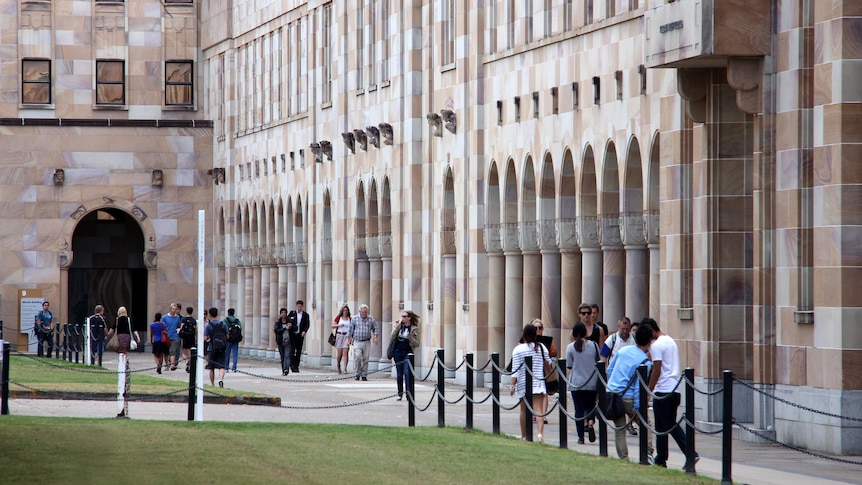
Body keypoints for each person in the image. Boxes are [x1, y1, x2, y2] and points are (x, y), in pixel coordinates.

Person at [643, 317, 698, 469]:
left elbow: (657, 369)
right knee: (671, 425)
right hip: (675, 389)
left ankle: (661, 458)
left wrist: (649, 389)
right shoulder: (670, 341)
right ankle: (690, 453)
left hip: (663, 389)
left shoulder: (657, 346)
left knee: (662, 427)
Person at [606, 324, 654, 461]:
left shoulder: (623, 351)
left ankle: (623, 458)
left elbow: (609, 370)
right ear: (649, 341)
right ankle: (648, 453)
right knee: (645, 424)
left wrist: (612, 386)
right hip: (629, 397)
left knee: (619, 429)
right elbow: (639, 387)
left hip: (613, 394)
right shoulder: (645, 362)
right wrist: (639, 406)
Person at [509, 323, 552, 443]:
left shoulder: (518, 349)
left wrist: (512, 384)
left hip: (523, 382)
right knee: (539, 410)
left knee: (523, 410)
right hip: (538, 381)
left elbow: (515, 369)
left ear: (524, 335)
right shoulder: (541, 347)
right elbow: (549, 363)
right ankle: (539, 433)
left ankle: (524, 435)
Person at [602, 316, 639, 436]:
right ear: (618, 327)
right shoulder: (612, 340)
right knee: (620, 403)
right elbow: (603, 357)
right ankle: (623, 424)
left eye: (627, 329)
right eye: (622, 329)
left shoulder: (634, 339)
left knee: (631, 403)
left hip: (632, 377)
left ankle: (631, 424)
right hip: (616, 379)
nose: (624, 331)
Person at [566, 321, 601, 444]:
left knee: (578, 409)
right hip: (591, 381)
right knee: (590, 406)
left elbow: (569, 366)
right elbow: (598, 362)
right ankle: (590, 423)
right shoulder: (594, 345)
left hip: (577, 383)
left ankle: (580, 437)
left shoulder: (570, 348)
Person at [114, 306, 139, 419]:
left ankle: (122, 359)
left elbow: (112, 329)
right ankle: (124, 360)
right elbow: (133, 329)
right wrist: (137, 338)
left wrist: (107, 336)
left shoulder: (117, 320)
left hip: (119, 336)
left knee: (121, 348)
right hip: (127, 336)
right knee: (125, 349)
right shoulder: (128, 319)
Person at [390, 310, 420, 401]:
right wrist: (397, 327)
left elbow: (417, 343)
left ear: (409, 318)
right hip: (398, 352)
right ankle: (400, 393)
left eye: (404, 316)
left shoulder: (414, 329)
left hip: (408, 353)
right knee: (399, 374)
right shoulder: (399, 326)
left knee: (407, 373)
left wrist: (411, 338)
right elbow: (392, 337)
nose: (402, 318)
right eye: (402, 316)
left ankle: (408, 393)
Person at [348, 304, 378, 381]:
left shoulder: (371, 318)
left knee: (365, 358)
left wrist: (375, 337)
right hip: (357, 341)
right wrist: (349, 338)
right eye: (363, 312)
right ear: (360, 311)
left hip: (366, 341)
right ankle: (357, 373)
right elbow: (350, 329)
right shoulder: (355, 318)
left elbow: (375, 328)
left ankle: (364, 374)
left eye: (365, 312)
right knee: (357, 357)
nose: (364, 314)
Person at [204, 307, 227, 387]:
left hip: (212, 347)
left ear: (210, 314)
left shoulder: (208, 325)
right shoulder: (223, 324)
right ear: (217, 314)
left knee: (211, 367)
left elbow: (205, 337)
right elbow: (227, 336)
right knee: (221, 365)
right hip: (221, 347)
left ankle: (212, 384)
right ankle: (221, 379)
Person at [286, 300, 311, 373]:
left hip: (300, 335)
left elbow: (307, 324)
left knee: (299, 351)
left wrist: (304, 331)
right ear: (296, 306)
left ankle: (296, 365)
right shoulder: (292, 313)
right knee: (292, 351)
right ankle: (292, 364)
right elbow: (287, 320)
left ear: (302, 306)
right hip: (293, 334)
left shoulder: (305, 315)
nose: (299, 308)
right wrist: (289, 324)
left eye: (300, 306)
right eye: (298, 306)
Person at [331, 305, 352, 374]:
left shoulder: (350, 319)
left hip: (347, 336)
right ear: (342, 311)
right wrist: (339, 325)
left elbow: (352, 327)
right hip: (339, 335)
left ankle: (345, 368)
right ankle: (338, 364)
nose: (345, 312)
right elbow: (333, 326)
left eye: (346, 310)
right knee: (340, 353)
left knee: (345, 352)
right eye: (344, 310)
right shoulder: (339, 318)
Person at [161, 303, 182, 371]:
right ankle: (167, 365)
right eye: (173, 309)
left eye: (175, 309)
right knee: (166, 352)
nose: (174, 310)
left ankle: (172, 364)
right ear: (170, 309)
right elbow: (162, 326)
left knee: (173, 351)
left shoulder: (177, 317)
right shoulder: (165, 317)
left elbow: (178, 326)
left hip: (175, 336)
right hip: (167, 336)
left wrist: (178, 330)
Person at [178, 307, 197, 372]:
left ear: (186, 311)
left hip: (185, 336)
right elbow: (195, 330)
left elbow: (181, 327)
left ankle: (187, 361)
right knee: (190, 352)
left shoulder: (184, 319)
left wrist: (179, 331)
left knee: (184, 352)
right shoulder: (194, 320)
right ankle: (189, 365)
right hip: (192, 337)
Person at [224, 308, 242, 373]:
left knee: (227, 353)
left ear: (228, 313)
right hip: (236, 339)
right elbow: (240, 328)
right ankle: (234, 367)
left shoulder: (226, 320)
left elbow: (224, 328)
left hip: (228, 339)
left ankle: (226, 367)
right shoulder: (237, 320)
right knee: (235, 353)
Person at [274, 308, 290, 375]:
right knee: (283, 356)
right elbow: (276, 330)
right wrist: (284, 328)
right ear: (280, 314)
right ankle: (283, 370)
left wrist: (291, 326)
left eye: (285, 312)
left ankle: (286, 369)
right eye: (282, 312)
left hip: (288, 341)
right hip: (281, 341)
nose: (283, 314)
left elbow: (295, 328)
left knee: (287, 355)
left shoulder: (289, 321)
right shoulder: (278, 322)